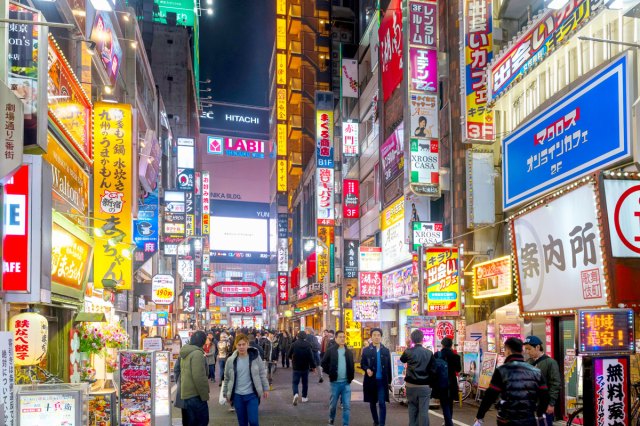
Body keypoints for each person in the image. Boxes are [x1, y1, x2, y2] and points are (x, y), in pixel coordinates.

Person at [475, 337, 549, 426]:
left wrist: (480, 415)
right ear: (521, 351)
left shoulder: (501, 370)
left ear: (508, 351)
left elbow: (490, 395)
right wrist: (540, 413)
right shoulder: (536, 371)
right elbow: (544, 395)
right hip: (529, 419)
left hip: (507, 420)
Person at [223, 334, 269, 426]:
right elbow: (227, 378)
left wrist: (265, 388)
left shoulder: (255, 357)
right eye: (239, 345)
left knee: (253, 421)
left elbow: (262, 373)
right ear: (236, 346)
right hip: (237, 396)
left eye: (243, 344)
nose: (241, 347)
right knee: (242, 422)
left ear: (248, 344)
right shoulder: (230, 360)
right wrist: (226, 393)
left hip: (252, 395)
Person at [524, 335, 561, 426]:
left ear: (537, 347)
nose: (527, 352)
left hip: (544, 404)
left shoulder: (550, 363)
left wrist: (551, 404)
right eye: (526, 349)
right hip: (530, 405)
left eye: (529, 349)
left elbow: (555, 384)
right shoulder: (527, 362)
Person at [400, 329, 434, 426]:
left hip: (410, 386)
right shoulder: (428, 353)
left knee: (412, 409)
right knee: (423, 411)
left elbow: (402, 360)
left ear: (412, 340)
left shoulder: (408, 351)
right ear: (423, 339)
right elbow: (433, 369)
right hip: (424, 386)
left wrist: (407, 346)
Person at [321, 330, 354, 426]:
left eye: (344, 337)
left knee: (347, 406)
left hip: (346, 383)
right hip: (335, 383)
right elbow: (323, 363)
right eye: (340, 337)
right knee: (333, 405)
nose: (342, 338)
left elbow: (351, 365)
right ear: (335, 338)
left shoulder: (348, 352)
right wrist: (330, 372)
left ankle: (345, 424)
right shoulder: (331, 350)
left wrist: (351, 377)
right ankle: (331, 420)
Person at [361, 328, 392, 426]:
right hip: (371, 381)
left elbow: (389, 367)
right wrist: (367, 369)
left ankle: (382, 424)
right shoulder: (366, 350)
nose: (376, 337)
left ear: (381, 337)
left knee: (382, 403)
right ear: (371, 336)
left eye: (378, 335)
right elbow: (363, 364)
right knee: (372, 402)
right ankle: (376, 421)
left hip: (382, 381)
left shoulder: (386, 351)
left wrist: (389, 382)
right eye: (374, 335)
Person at [179, 330, 210, 426]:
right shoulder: (197, 354)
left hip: (186, 394)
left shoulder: (186, 352)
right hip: (196, 395)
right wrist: (205, 395)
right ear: (202, 341)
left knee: (190, 422)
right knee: (202, 421)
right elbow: (199, 377)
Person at [435, 337, 462, 426]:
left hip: (440, 382)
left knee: (444, 402)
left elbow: (433, 368)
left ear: (442, 345)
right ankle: (448, 421)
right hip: (452, 382)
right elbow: (458, 369)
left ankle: (448, 422)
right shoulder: (456, 356)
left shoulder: (437, 355)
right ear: (451, 345)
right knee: (450, 402)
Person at [288, 330, 316, 405]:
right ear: (305, 337)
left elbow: (289, 354)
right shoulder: (308, 345)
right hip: (305, 367)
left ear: (298, 336)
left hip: (296, 366)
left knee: (295, 382)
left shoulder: (294, 344)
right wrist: (313, 366)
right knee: (305, 383)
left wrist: (292, 358)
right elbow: (311, 357)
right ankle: (304, 397)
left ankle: (296, 394)